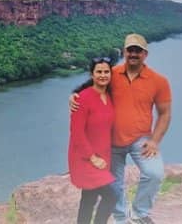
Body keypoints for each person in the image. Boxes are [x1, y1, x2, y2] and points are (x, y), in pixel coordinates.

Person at [71, 33, 172, 224]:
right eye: (130, 50)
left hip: (140, 139)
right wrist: (74, 95)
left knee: (155, 173)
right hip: (111, 142)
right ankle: (121, 218)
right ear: (124, 52)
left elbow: (165, 113)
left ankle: (140, 214)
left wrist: (155, 141)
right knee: (115, 184)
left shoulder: (158, 81)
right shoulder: (112, 74)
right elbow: (90, 87)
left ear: (145, 54)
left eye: (138, 51)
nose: (133, 54)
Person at [69, 57, 117, 224]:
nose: (103, 75)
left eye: (106, 71)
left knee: (89, 196)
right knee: (111, 197)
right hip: (86, 157)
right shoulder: (82, 98)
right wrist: (92, 158)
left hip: (102, 155)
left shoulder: (110, 96)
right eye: (99, 72)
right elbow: (76, 133)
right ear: (92, 74)